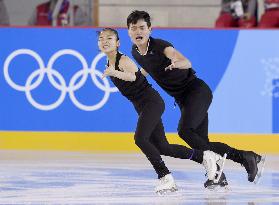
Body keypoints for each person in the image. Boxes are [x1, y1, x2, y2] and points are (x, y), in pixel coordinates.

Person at [126, 10, 265, 188]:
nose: (138, 32)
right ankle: (231, 167)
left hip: (196, 92)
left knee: (185, 131)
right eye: (134, 28)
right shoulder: (135, 52)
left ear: (150, 29)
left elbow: (186, 61)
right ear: (128, 31)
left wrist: (177, 63)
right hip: (184, 100)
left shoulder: (161, 46)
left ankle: (242, 159)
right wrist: (137, 77)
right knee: (202, 144)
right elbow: (148, 68)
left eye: (142, 28)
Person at [97, 28, 226, 194]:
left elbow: (133, 76)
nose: (105, 41)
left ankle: (165, 177)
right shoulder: (109, 63)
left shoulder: (123, 61)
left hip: (152, 102)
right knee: (162, 147)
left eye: (109, 38)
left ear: (118, 43)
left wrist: (113, 72)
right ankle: (204, 157)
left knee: (140, 139)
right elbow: (141, 74)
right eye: (101, 38)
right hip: (143, 106)